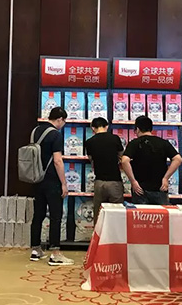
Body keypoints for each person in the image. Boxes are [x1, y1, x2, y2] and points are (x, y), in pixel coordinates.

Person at [29, 107, 74, 266]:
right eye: (64, 121)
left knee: (38, 215)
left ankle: (36, 250)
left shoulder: (35, 131)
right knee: (56, 215)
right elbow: (57, 161)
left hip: (36, 179)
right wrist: (64, 183)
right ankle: (55, 254)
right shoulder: (55, 134)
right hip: (52, 180)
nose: (63, 124)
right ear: (60, 119)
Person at [121, 116, 182, 205]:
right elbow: (178, 159)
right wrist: (166, 178)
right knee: (161, 213)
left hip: (140, 189)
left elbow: (124, 161)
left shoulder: (134, 143)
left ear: (137, 129)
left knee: (142, 213)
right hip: (160, 188)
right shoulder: (163, 142)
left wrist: (133, 181)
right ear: (151, 129)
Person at [84, 117, 125, 225]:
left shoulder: (89, 142)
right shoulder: (115, 138)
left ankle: (98, 235)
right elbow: (122, 156)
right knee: (117, 214)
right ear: (107, 126)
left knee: (99, 215)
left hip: (99, 182)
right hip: (115, 181)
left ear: (93, 128)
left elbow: (91, 159)